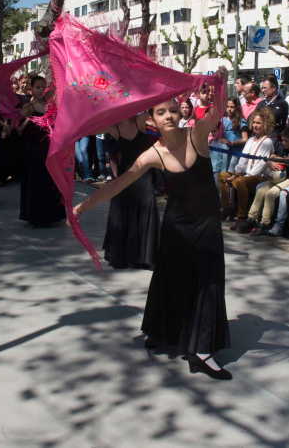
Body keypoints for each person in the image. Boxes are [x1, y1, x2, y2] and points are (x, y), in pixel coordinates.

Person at [74, 67, 232, 380]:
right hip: (176, 227)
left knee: (208, 283)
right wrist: (82, 206)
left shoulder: (196, 135)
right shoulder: (152, 154)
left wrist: (221, 84)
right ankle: (163, 331)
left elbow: (216, 113)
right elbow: (118, 184)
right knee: (171, 280)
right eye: (161, 112)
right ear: (152, 120)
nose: (169, 116)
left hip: (207, 225)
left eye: (173, 109)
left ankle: (201, 351)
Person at [100, 113, 161, 269]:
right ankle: (121, 255)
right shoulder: (114, 127)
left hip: (144, 172)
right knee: (122, 208)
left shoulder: (140, 120)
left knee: (146, 204)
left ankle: (144, 257)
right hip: (125, 173)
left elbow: (156, 105)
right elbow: (89, 128)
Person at [19, 76, 66, 228]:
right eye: (37, 87)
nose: (41, 90)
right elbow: (17, 120)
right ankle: (35, 217)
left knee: (49, 182)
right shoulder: (28, 107)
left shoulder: (49, 105)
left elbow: (56, 84)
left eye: (43, 87)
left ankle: (49, 216)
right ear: (31, 89)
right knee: (36, 183)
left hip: (49, 150)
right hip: (34, 152)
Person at [217, 108, 275, 230]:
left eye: (258, 123)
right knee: (222, 176)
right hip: (245, 175)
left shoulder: (267, 142)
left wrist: (239, 177)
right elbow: (243, 160)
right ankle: (228, 207)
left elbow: (260, 167)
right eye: (254, 122)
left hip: (259, 177)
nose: (255, 125)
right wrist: (235, 174)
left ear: (265, 124)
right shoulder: (250, 140)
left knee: (241, 181)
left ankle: (242, 217)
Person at [243, 127, 289, 235]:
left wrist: (274, 159)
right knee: (261, 191)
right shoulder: (283, 148)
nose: (283, 143)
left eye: (286, 141)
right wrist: (271, 161)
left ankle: (265, 223)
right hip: (278, 179)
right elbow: (272, 155)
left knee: (270, 194)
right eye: (282, 140)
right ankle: (251, 218)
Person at [215, 97, 249, 171]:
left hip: (235, 152)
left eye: (232, 107)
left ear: (237, 108)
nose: (229, 109)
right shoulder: (222, 120)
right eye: (227, 106)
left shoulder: (241, 121)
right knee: (221, 172)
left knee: (230, 172)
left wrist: (231, 143)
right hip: (223, 152)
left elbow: (245, 139)